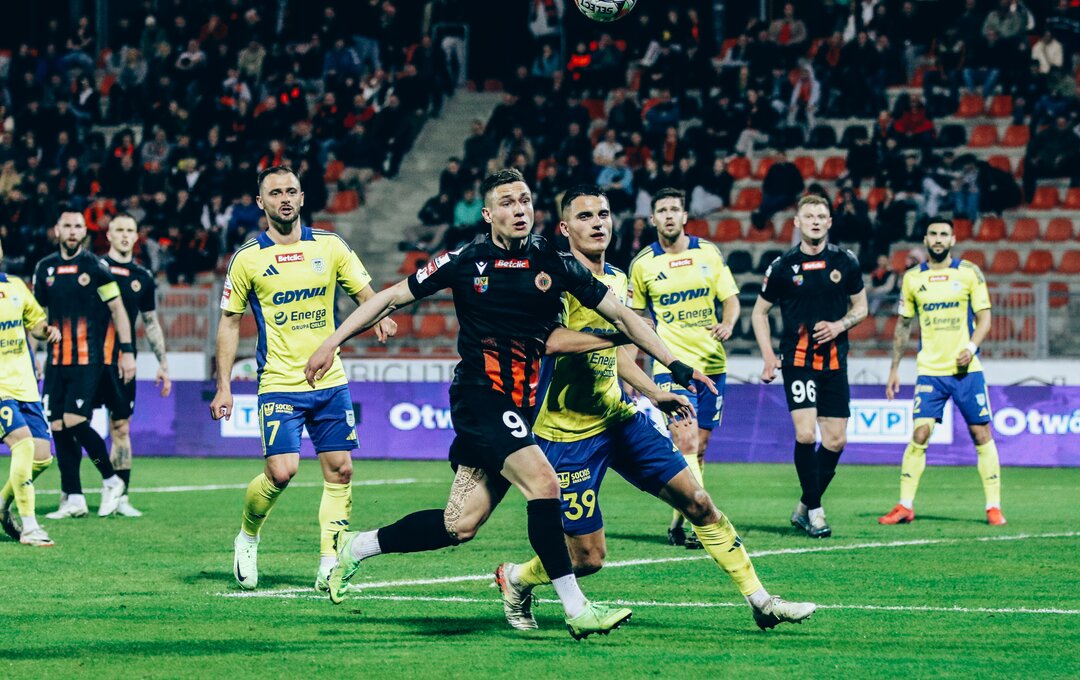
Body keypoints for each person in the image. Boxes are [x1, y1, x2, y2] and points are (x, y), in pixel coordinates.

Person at [305, 169, 711, 640]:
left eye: (525, 201)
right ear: (488, 214)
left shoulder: (552, 261)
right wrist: (331, 342)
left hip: (519, 407)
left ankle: (356, 546)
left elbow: (618, 314)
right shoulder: (465, 260)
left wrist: (674, 363)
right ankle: (577, 609)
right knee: (544, 483)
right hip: (479, 397)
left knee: (459, 525)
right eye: (507, 202)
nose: (519, 210)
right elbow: (393, 296)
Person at [494, 185, 816, 632]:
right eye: (585, 216)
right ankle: (516, 578)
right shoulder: (552, 282)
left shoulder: (617, 278)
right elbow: (550, 342)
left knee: (698, 502)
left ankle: (761, 601)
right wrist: (618, 334)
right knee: (588, 559)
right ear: (565, 228)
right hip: (567, 435)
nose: (598, 223)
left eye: (603, 214)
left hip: (619, 418)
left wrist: (653, 391)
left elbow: (615, 355)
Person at [210, 166, 397, 592]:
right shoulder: (247, 258)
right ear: (261, 203)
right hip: (279, 381)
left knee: (341, 471)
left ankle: (330, 561)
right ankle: (247, 537)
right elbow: (229, 323)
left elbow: (365, 294)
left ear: (302, 197)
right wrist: (224, 385)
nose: (285, 199)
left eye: (291, 191)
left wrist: (380, 316)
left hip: (330, 380)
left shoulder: (330, 246)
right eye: (275, 193)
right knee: (281, 471)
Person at [627, 187, 740, 548]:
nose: (669, 215)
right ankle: (701, 524)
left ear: (685, 216)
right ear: (653, 219)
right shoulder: (643, 264)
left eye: (674, 209)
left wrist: (729, 323)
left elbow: (731, 299)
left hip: (712, 363)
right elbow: (635, 321)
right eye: (662, 210)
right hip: (671, 366)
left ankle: (678, 521)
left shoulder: (708, 253)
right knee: (686, 440)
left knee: (699, 449)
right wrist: (631, 368)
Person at [751, 195, 868, 538]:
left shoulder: (845, 261)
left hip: (834, 362)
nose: (815, 221)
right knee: (805, 434)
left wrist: (840, 325)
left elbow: (861, 307)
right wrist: (769, 356)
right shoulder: (783, 266)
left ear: (829, 222)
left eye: (821, 216)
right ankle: (816, 512)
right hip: (798, 360)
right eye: (809, 216)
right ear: (797, 223)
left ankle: (804, 505)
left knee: (836, 440)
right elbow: (759, 312)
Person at [879, 219, 1005, 526]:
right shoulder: (912, 279)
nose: (938, 239)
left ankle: (993, 506)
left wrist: (971, 347)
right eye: (933, 234)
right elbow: (903, 326)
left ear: (953, 239)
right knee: (920, 434)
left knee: (981, 434)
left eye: (943, 234)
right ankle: (905, 505)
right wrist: (894, 368)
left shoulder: (969, 272)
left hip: (966, 371)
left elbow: (985, 319)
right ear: (925, 239)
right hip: (930, 372)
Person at [32, 211, 137, 520]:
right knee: (57, 426)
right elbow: (36, 316)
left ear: (84, 232)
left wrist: (127, 351)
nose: (72, 231)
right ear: (57, 230)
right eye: (67, 226)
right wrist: (35, 350)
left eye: (78, 226)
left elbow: (117, 309)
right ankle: (74, 498)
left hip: (87, 360)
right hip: (56, 360)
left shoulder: (95, 267)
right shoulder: (45, 268)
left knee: (75, 421)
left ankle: (111, 478)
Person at [91, 215, 172, 517]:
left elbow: (150, 322)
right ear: (108, 235)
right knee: (74, 425)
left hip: (123, 361)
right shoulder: (94, 268)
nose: (125, 235)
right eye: (119, 230)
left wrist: (163, 363)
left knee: (121, 427)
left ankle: (120, 495)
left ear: (136, 237)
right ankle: (70, 494)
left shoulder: (143, 277)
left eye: (129, 230)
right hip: (89, 358)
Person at [0, 241, 61, 546]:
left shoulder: (15, 286)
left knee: (42, 456)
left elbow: (35, 322)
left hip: (25, 385)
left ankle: (2, 504)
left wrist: (46, 330)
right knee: (22, 445)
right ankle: (30, 527)